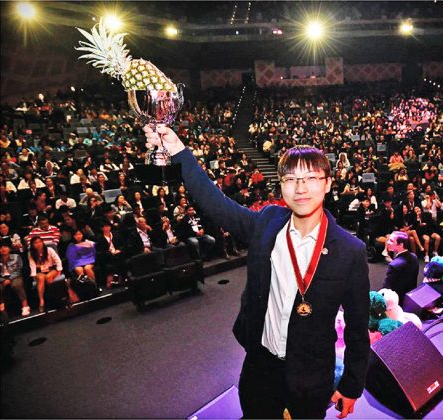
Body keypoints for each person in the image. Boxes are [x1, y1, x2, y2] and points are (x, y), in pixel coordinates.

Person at [144, 125, 370, 419]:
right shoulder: (267, 222)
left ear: (327, 184)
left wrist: (352, 385)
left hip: (311, 376)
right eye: (291, 179)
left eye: (311, 178)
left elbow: (357, 327)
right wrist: (178, 151)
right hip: (260, 369)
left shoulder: (350, 251)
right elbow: (216, 203)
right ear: (281, 186)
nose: (300, 188)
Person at [383, 231, 419, 303]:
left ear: (401, 244)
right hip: (410, 298)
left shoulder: (394, 265)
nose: (388, 242)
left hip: (396, 301)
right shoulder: (414, 257)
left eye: (391, 241)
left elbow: (386, 288)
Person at [0, 242, 30, 317]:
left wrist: (9, 279)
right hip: (2, 278)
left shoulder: (16, 256)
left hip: (15, 276)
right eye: (1, 247)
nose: (3, 249)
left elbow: (19, 269)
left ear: (9, 249)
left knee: (17, 285)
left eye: (5, 247)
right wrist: (3, 280)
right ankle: (1, 308)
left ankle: (25, 306)